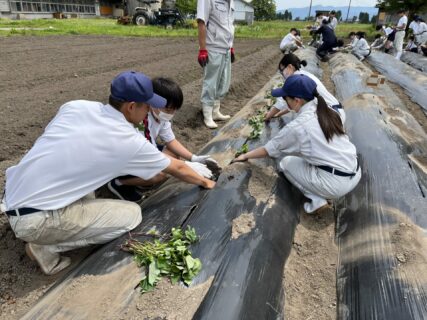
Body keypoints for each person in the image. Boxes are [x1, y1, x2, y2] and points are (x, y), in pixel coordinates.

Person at [0, 71, 216, 275]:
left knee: (81, 176)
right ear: (131, 107)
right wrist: (207, 183)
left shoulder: (76, 106)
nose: (148, 111)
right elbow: (175, 168)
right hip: (34, 219)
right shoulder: (126, 138)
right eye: (147, 106)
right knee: (132, 216)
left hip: (13, 193)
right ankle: (45, 247)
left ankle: (56, 221)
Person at [233, 74, 361, 214]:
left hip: (336, 185)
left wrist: (245, 156)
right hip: (354, 172)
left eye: (285, 98)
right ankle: (323, 189)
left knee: (285, 162)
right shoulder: (327, 110)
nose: (284, 101)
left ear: (297, 100)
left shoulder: (299, 127)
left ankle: (317, 199)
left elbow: (270, 149)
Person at [108, 77, 217, 201]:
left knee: (173, 155)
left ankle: (141, 181)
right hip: (126, 160)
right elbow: (152, 156)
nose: (171, 113)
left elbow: (170, 141)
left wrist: (193, 158)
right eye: (168, 109)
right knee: (162, 173)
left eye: (174, 110)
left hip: (141, 150)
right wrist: (200, 178)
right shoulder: (137, 122)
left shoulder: (158, 117)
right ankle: (119, 183)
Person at [265, 53, 345, 124]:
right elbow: (292, 103)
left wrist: (268, 116)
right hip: (335, 112)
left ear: (290, 67)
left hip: (332, 117)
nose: (282, 74)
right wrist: (279, 114)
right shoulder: (302, 75)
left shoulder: (296, 81)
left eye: (282, 70)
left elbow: (281, 103)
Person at [196, 0, 235, 129]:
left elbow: (230, 24)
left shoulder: (230, 2)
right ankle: (207, 115)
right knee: (211, 82)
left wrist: (231, 47)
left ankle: (215, 111)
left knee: (223, 82)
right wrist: (203, 49)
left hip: (226, 48)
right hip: (213, 48)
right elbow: (201, 22)